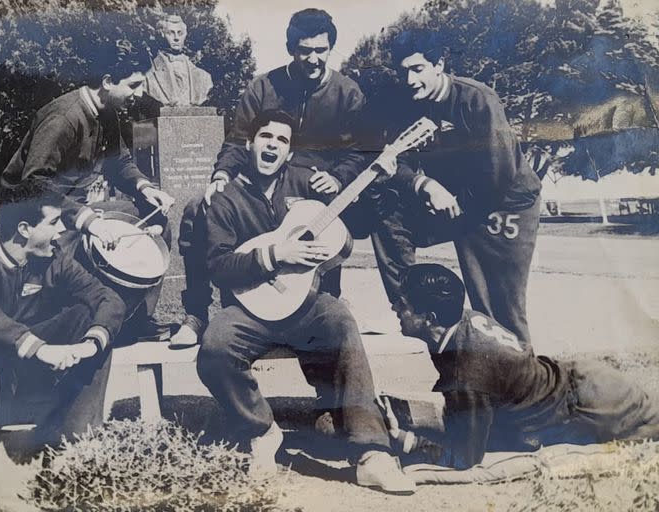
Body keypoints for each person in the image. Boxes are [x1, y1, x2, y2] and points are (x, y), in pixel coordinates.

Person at [196, 110, 414, 494]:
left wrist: (377, 180)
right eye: (265, 137)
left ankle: (371, 453)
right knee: (215, 346)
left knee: (342, 321)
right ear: (249, 143)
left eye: (281, 141)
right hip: (250, 308)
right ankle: (261, 432)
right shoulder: (226, 198)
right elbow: (218, 266)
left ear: (289, 150)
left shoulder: (308, 183)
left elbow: (356, 223)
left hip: (307, 304)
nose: (272, 145)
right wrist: (277, 255)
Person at [171, 8, 367, 346]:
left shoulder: (348, 93)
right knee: (195, 208)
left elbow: (359, 151)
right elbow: (237, 139)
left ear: (330, 48)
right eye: (305, 50)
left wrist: (337, 177)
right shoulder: (263, 86)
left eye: (321, 50)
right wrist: (221, 175)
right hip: (260, 182)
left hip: (314, 183)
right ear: (292, 49)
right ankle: (197, 312)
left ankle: (327, 298)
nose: (313, 58)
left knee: (331, 212)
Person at [0, 184, 126, 509]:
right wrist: (34, 345)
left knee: (90, 316)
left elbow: (107, 298)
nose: (62, 231)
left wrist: (92, 342)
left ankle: (75, 448)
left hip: (16, 387)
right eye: (54, 223)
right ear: (24, 229)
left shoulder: (52, 261)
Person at [381, 263, 659, 470]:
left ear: (429, 318)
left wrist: (411, 442)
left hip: (590, 407)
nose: (394, 308)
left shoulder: (468, 364)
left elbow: (466, 456)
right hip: (581, 379)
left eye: (402, 304)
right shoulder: (461, 320)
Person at [368, 29, 542, 347]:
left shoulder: (476, 99)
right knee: (385, 211)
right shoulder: (409, 104)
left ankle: (523, 387)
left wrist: (457, 202)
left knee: (498, 309)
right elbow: (395, 159)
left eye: (417, 69)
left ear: (439, 64)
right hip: (452, 202)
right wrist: (424, 184)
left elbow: (499, 173)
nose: (409, 80)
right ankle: (418, 308)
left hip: (504, 205)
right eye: (403, 71)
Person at [0, 45, 175, 340]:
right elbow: (34, 182)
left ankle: (135, 319)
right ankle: (81, 320)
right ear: (107, 81)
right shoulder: (64, 117)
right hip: (33, 219)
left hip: (73, 211)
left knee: (154, 222)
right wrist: (87, 219)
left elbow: (119, 162)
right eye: (133, 85)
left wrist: (146, 188)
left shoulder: (107, 112)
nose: (138, 93)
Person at [144, 14, 213, 107]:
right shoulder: (149, 76)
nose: (176, 38)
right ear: (161, 35)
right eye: (171, 33)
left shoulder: (204, 77)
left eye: (180, 33)